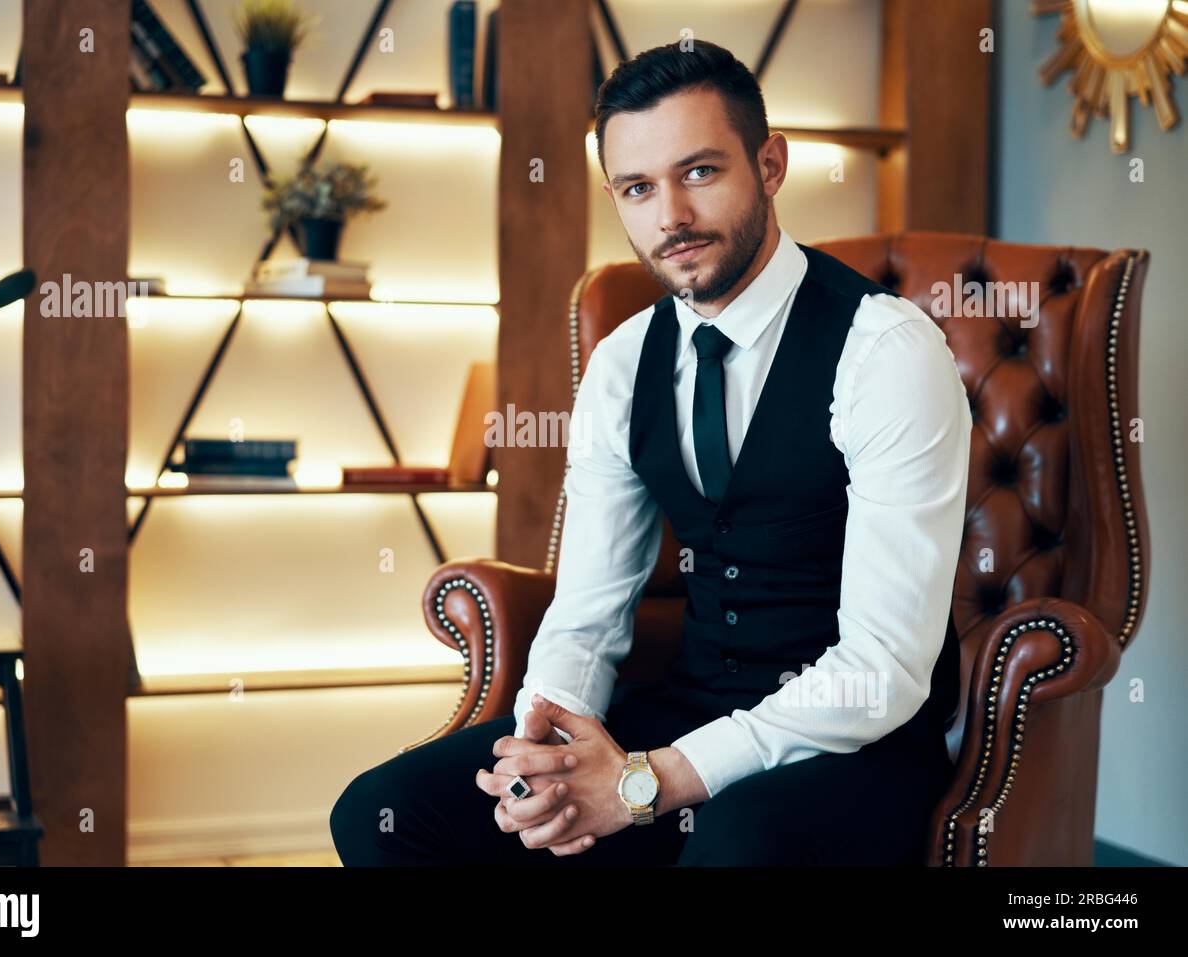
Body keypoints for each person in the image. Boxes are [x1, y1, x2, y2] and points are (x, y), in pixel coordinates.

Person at [330, 38, 970, 866]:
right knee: (383, 811)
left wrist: (649, 780)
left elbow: (881, 668)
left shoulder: (885, 352)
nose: (669, 216)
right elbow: (588, 609)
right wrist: (547, 749)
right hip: (683, 710)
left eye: (699, 172)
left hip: (856, 746)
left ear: (770, 164)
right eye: (638, 188)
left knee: (732, 845)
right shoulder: (623, 363)